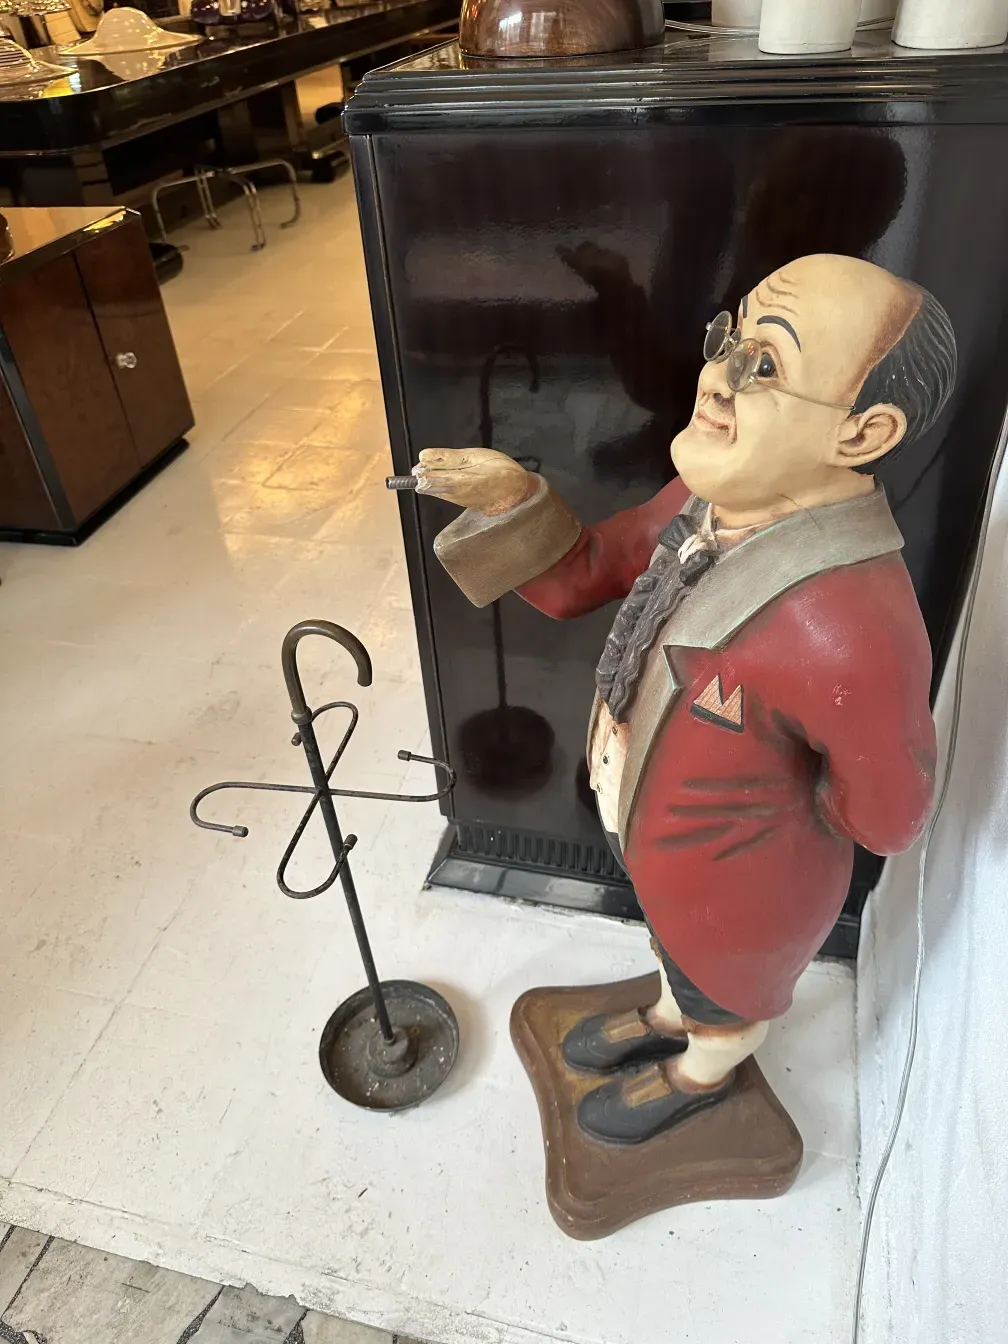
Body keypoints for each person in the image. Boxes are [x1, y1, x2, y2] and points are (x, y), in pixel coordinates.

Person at [413, 253, 956, 1145]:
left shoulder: (850, 623)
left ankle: (704, 1070)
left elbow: (889, 814)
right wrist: (516, 499)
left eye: (766, 366)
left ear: (861, 434)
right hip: (662, 856)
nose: (717, 378)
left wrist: (763, 836)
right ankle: (672, 1014)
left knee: (723, 989)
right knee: (680, 960)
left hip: (742, 888)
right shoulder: (701, 499)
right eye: (728, 338)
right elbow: (586, 569)